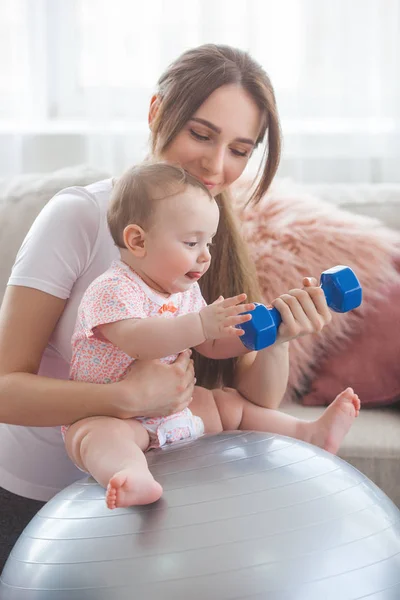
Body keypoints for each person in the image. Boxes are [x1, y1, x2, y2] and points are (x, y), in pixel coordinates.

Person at [0, 43, 354, 566]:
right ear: (157, 113)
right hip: (37, 504)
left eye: (239, 148)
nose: (216, 165)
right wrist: (122, 398)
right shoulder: (79, 216)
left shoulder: (207, 240)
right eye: (201, 134)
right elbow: (5, 389)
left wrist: (279, 336)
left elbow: (254, 394)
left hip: (155, 499)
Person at [65, 161, 360, 510]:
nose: (205, 257)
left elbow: (214, 344)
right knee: (93, 436)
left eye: (209, 243)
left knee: (228, 404)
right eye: (192, 242)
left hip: (176, 408)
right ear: (137, 241)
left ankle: (306, 434)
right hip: (115, 414)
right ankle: (131, 473)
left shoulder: (183, 292)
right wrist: (201, 324)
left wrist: (270, 329)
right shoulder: (112, 288)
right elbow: (137, 339)